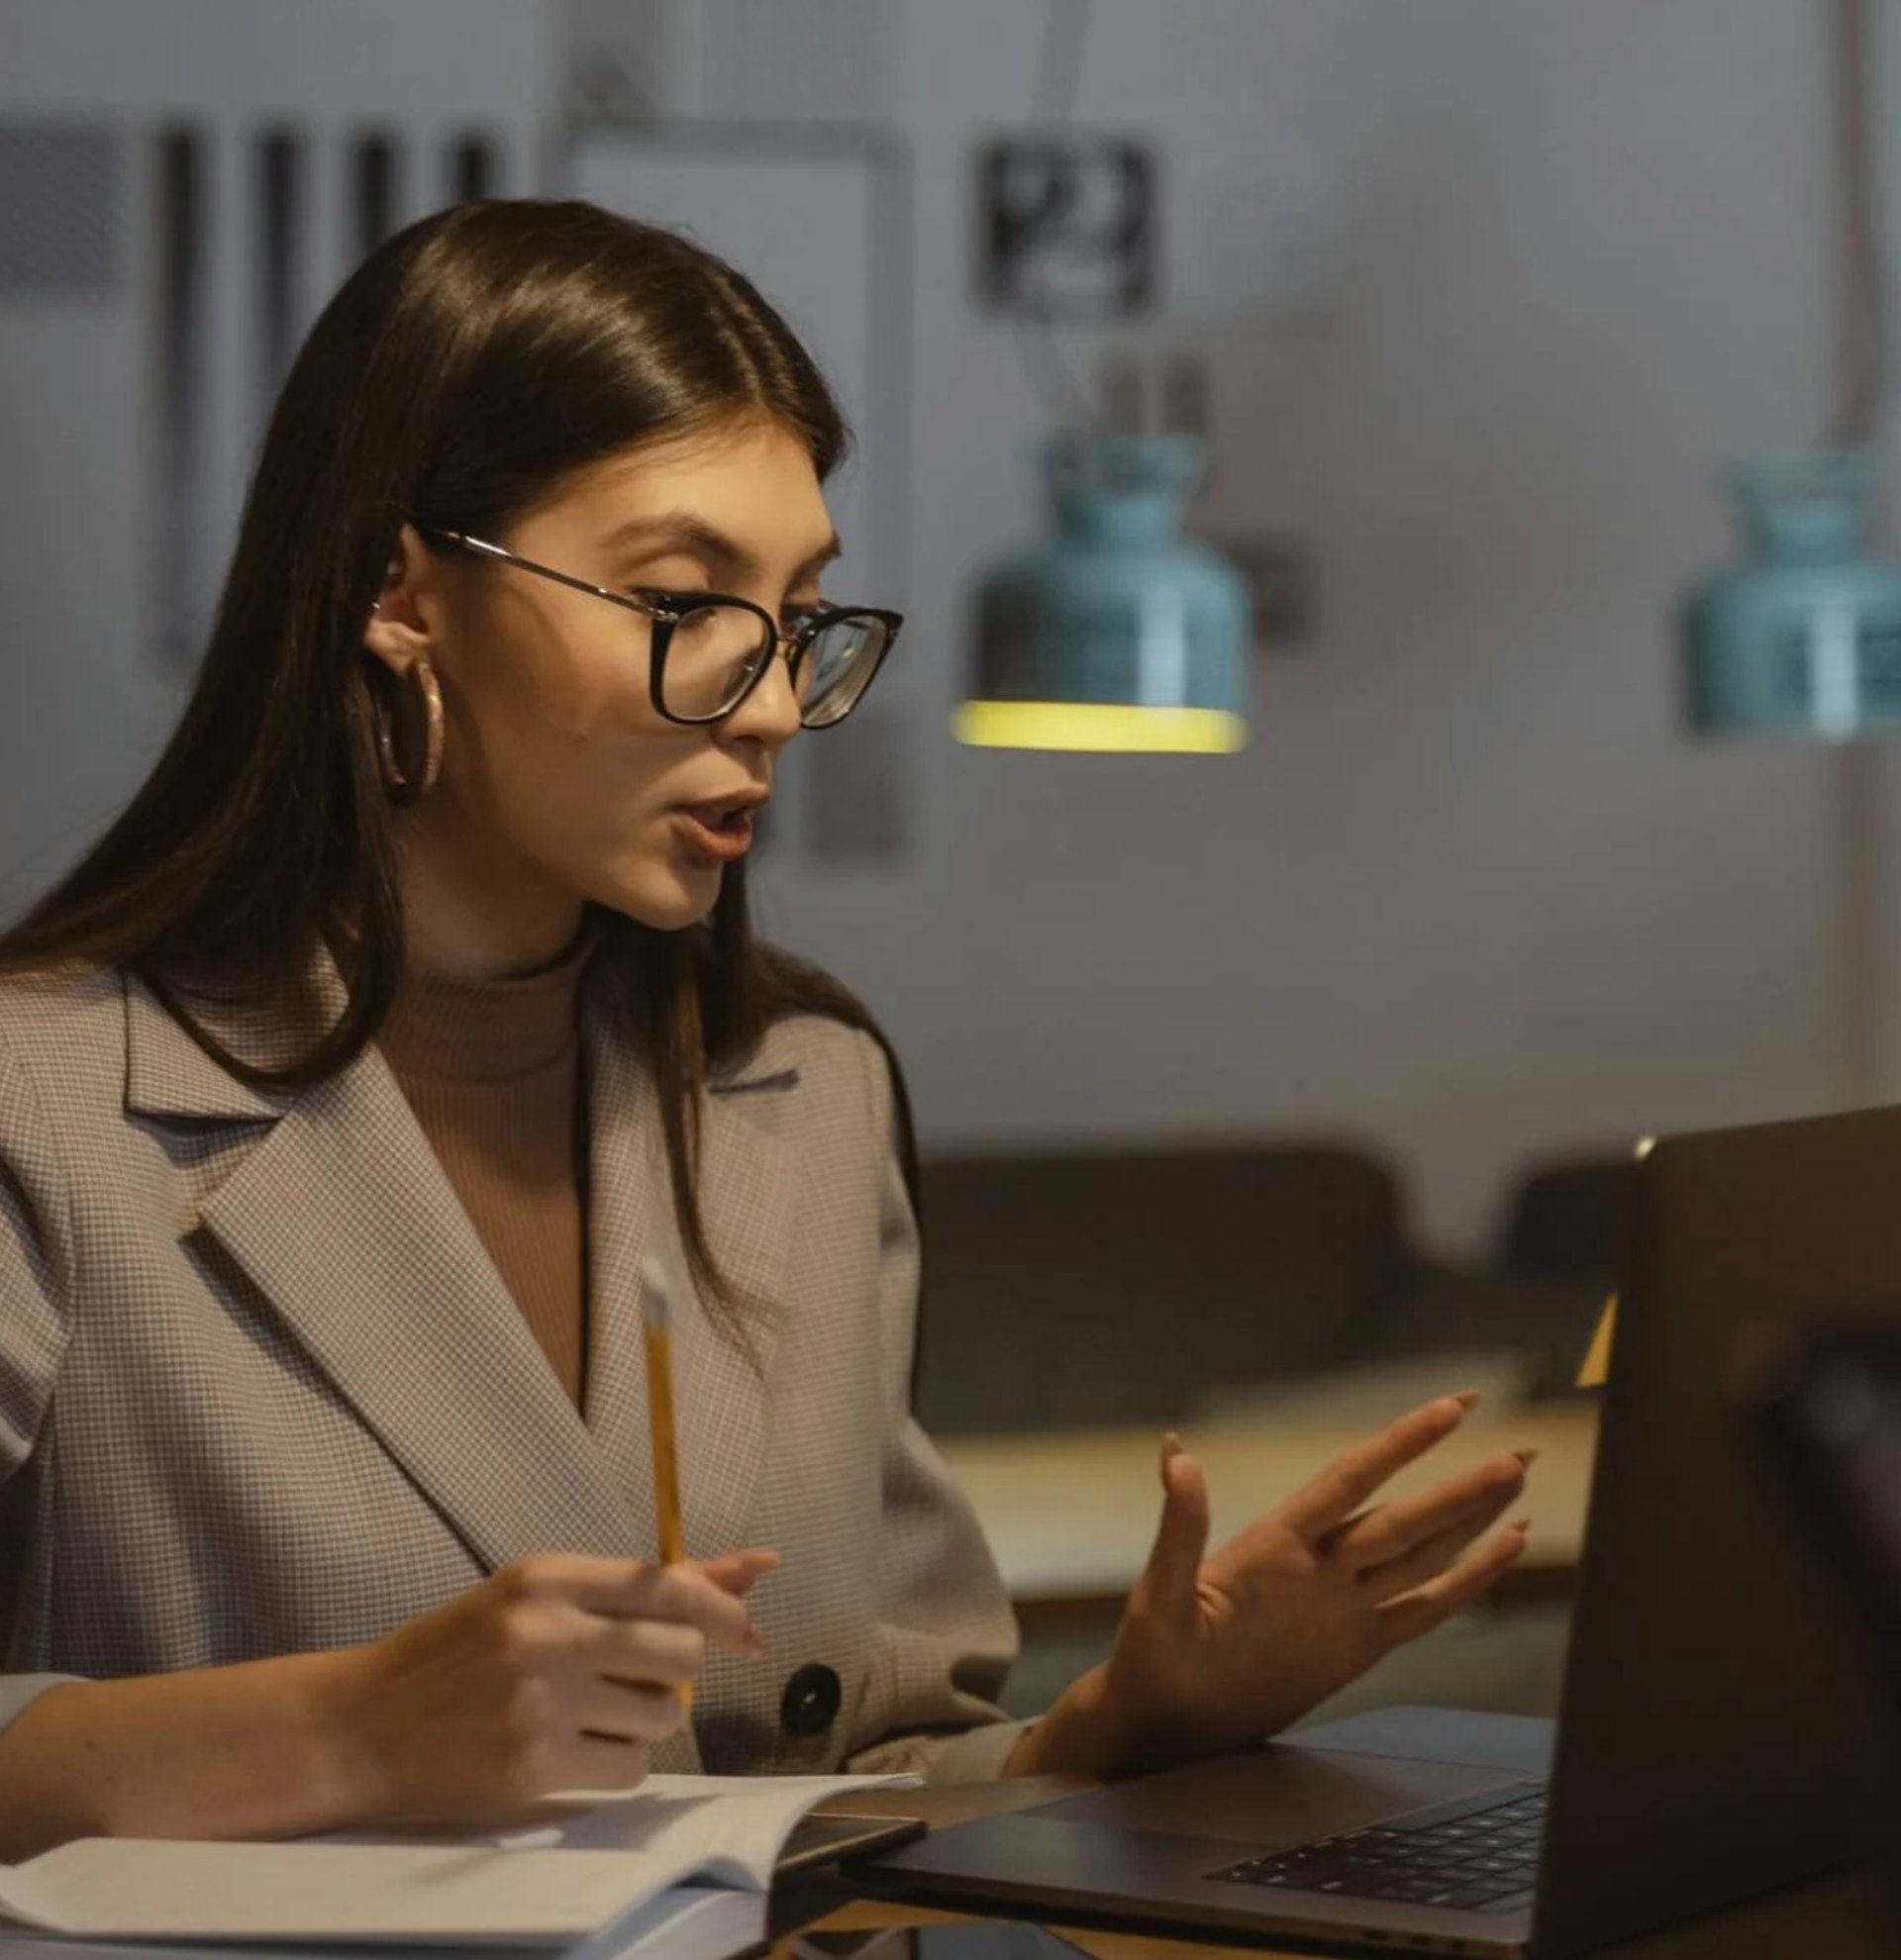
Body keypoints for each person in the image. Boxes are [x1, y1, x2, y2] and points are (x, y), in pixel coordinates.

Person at [0, 200, 1530, 1857]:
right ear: (402, 595)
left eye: (800, 612)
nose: (779, 699)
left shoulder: (802, 1097)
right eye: (684, 601)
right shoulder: (54, 1098)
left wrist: (1128, 1722)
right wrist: (345, 1729)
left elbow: (858, 1768)